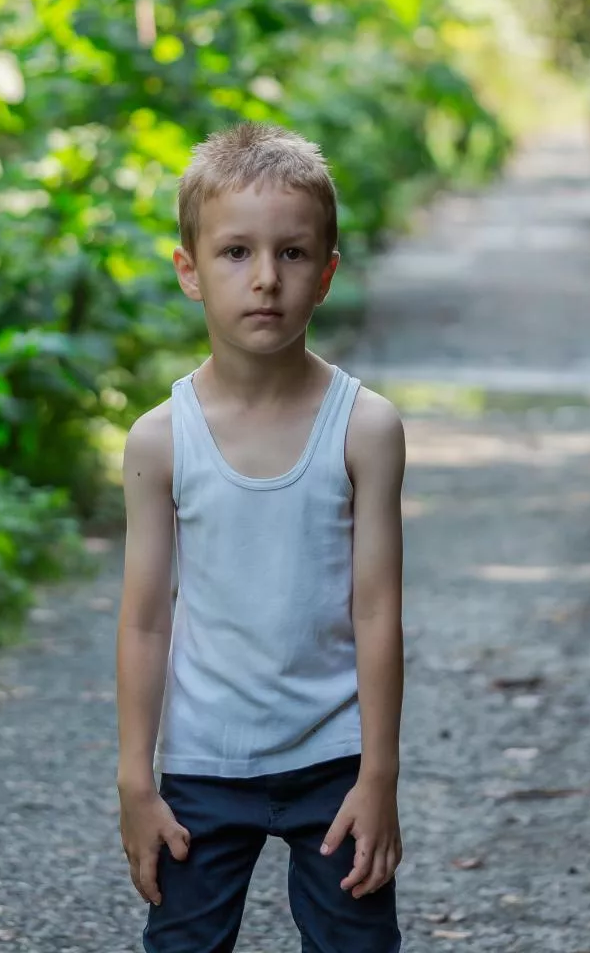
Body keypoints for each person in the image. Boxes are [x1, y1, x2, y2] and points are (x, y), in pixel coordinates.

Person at [114, 121, 406, 951]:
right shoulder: (161, 440)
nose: (266, 280)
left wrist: (379, 775)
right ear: (189, 271)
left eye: (293, 254)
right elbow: (144, 620)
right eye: (236, 253)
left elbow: (378, 612)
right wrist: (138, 781)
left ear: (327, 274)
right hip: (205, 762)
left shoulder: (366, 429)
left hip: (335, 762)